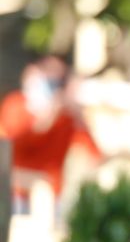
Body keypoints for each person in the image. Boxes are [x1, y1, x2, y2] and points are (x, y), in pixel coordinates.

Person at [0, 56, 102, 213]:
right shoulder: (15, 105)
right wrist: (48, 117)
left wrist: (78, 116)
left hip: (49, 199)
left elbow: (94, 155)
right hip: (16, 194)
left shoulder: (66, 118)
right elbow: (16, 143)